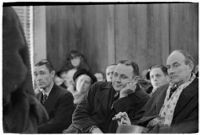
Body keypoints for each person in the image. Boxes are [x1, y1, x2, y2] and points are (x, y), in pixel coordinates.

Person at [115, 50, 198, 133]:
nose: (171, 71)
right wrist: (130, 125)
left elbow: (193, 126)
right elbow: (144, 118)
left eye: (176, 65)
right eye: (169, 67)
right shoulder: (161, 90)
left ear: (190, 66)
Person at [64, 60, 149, 133]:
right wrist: (94, 130)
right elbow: (78, 115)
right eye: (115, 75)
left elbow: (118, 129)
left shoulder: (144, 100)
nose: (117, 80)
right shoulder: (98, 87)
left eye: (123, 77)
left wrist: (122, 98)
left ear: (135, 80)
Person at [3, 7, 48, 133]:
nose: (38, 77)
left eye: (42, 73)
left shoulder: (4, 13)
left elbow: (11, 69)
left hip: (14, 114)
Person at [34, 59, 75, 133]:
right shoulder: (36, 97)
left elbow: (59, 124)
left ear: (52, 74)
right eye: (36, 74)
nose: (38, 78)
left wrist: (32, 130)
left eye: (42, 73)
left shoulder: (65, 95)